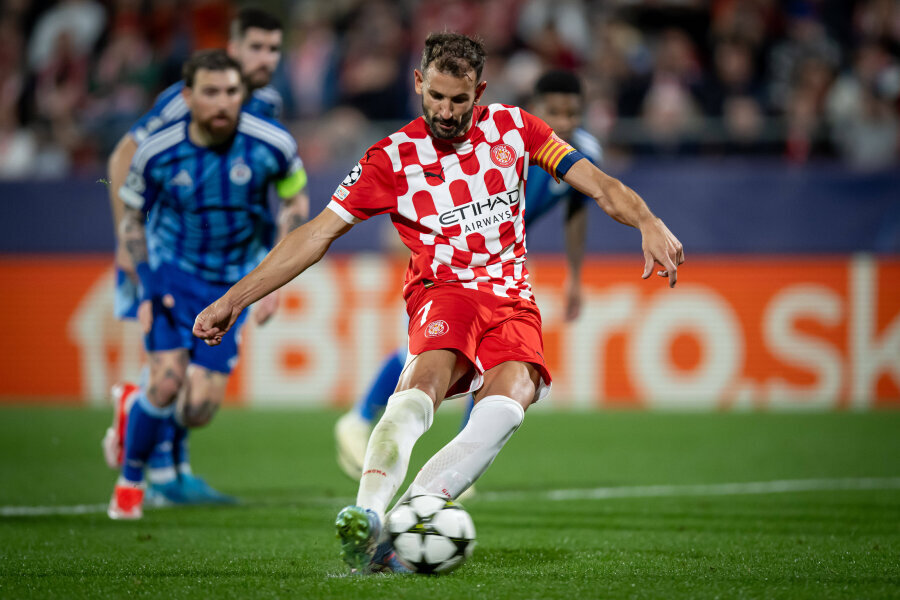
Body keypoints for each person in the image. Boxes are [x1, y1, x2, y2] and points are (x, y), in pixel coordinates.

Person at [192, 33, 683, 572]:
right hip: (445, 292)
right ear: (419, 84)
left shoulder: (516, 129)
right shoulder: (393, 158)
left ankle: (405, 522)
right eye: (437, 97)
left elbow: (597, 184)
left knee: (511, 403)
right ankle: (367, 513)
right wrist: (234, 299)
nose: (446, 112)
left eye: (459, 100)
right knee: (422, 385)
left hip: (512, 300)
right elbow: (314, 236)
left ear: (481, 92)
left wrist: (649, 221)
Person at [333, 68, 602, 483]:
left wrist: (576, 275)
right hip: (447, 248)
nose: (564, 123)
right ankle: (359, 417)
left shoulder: (580, 152)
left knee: (485, 358)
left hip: (497, 261)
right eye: (555, 112)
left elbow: (578, 210)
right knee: (432, 350)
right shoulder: (509, 141)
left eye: (573, 114)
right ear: (536, 110)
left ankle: (447, 453)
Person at [107, 49, 308, 520]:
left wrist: (273, 278)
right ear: (188, 96)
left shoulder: (273, 144)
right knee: (167, 381)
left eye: (232, 92)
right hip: (172, 274)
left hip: (231, 285)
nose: (223, 102)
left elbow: (295, 202)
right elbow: (133, 218)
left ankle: (134, 412)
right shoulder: (158, 151)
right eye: (211, 92)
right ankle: (130, 483)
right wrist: (150, 286)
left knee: (199, 406)